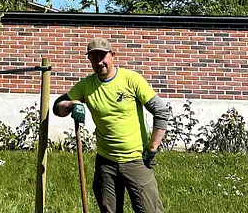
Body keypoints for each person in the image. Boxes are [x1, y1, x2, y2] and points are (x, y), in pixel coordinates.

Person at [53, 36, 169, 213]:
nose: (99, 62)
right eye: (94, 57)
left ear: (113, 55)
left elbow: (161, 111)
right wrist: (73, 104)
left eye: (102, 56)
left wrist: (152, 149)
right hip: (106, 163)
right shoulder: (86, 85)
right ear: (89, 59)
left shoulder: (131, 79)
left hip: (136, 160)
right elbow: (57, 108)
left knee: (150, 210)